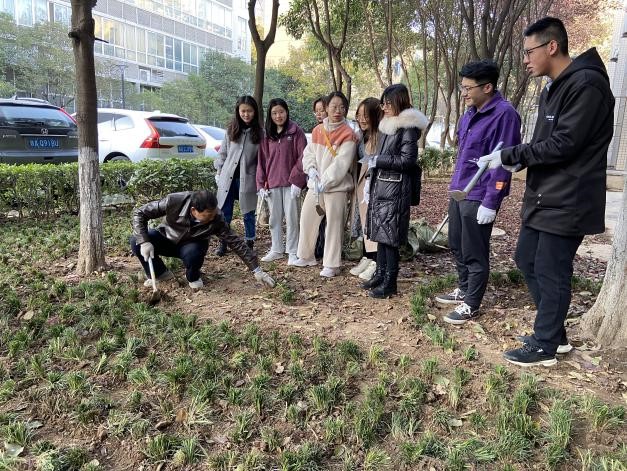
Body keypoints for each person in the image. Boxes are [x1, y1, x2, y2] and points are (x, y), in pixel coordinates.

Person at [477, 17, 614, 366]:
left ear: (551, 46)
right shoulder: (553, 88)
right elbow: (544, 143)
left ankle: (545, 346)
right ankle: (555, 333)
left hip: (569, 198)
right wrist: (516, 160)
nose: (525, 60)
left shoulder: (587, 84)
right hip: (545, 195)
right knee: (526, 259)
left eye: (529, 52)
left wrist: (511, 155)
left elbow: (565, 144)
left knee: (552, 270)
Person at [434, 60, 521, 324]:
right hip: (459, 190)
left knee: (474, 250)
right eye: (462, 87)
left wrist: (491, 201)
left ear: (487, 87)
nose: (463, 93)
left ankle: (472, 303)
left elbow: (505, 161)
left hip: (479, 194)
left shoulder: (505, 115)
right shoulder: (469, 114)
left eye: (468, 88)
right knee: (457, 244)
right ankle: (464, 288)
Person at [130, 190, 275, 290]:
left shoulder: (217, 218)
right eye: (208, 215)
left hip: (192, 245)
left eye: (213, 213)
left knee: (193, 254)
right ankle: (160, 274)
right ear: (194, 210)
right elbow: (140, 212)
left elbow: (235, 242)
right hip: (168, 237)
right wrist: (144, 241)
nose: (212, 217)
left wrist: (257, 270)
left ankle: (193, 277)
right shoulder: (175, 200)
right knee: (136, 241)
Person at [363, 84, 427, 298]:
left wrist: (379, 160)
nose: (384, 107)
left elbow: (408, 160)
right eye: (383, 103)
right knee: (381, 235)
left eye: (388, 103)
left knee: (390, 238)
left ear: (399, 101)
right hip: (382, 187)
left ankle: (390, 281)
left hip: (395, 190)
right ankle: (380, 274)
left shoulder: (407, 127)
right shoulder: (388, 125)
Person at [292, 91, 358, 277]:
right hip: (316, 186)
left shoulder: (348, 134)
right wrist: (311, 169)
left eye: (342, 107)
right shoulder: (318, 130)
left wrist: (325, 180)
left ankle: (332, 264)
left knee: (334, 226)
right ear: (326, 108)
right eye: (334, 106)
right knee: (307, 218)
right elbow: (309, 153)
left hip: (336, 188)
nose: (338, 110)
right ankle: (306, 255)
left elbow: (341, 164)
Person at [256, 98, 308, 264]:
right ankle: (276, 249)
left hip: (291, 184)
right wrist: (261, 184)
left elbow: (303, 157)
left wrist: (297, 180)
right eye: (274, 113)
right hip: (272, 183)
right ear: (270, 115)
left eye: (281, 112)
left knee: (292, 219)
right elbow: (262, 160)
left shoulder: (296, 131)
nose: (278, 116)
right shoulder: (266, 135)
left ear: (286, 112)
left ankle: (292, 251)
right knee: (274, 219)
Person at [214, 95, 262, 256]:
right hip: (228, 178)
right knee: (224, 212)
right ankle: (224, 242)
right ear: (238, 111)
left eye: (249, 111)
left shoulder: (260, 133)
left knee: (248, 212)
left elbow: (262, 160)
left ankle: (249, 241)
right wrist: (218, 171)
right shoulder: (231, 130)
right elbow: (223, 153)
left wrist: (261, 180)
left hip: (247, 179)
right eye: (243, 111)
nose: (246, 114)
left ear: (255, 112)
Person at [349, 97, 382, 281]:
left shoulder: (380, 137)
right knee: (364, 224)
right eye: (359, 115)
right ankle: (367, 257)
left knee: (373, 224)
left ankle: (375, 261)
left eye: (366, 115)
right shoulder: (362, 136)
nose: (362, 119)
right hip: (361, 186)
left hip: (374, 188)